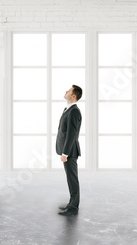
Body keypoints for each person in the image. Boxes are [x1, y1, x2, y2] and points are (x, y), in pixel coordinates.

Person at [56, 85, 82, 216]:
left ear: (73, 96)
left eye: (69, 90)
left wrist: (65, 153)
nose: (65, 91)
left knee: (72, 178)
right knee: (70, 178)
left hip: (70, 152)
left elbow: (71, 135)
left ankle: (73, 207)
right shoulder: (68, 109)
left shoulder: (74, 111)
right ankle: (71, 203)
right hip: (67, 151)